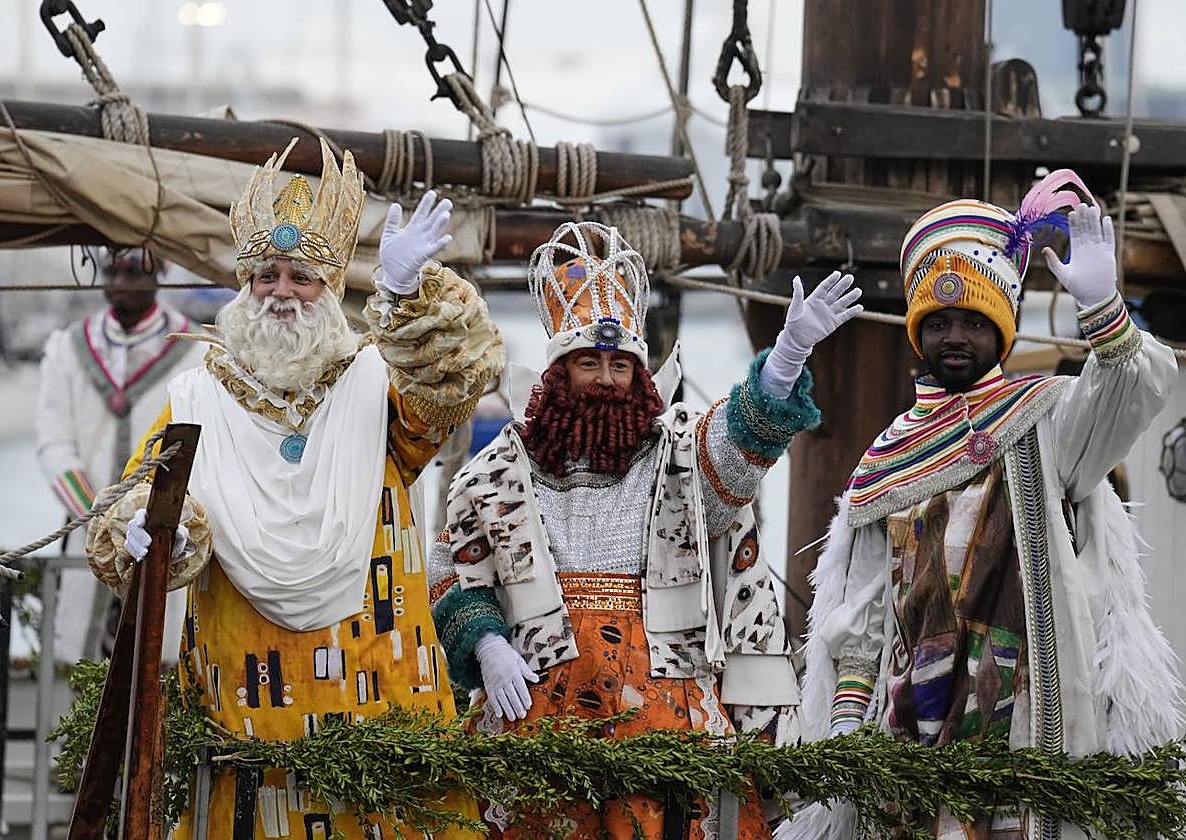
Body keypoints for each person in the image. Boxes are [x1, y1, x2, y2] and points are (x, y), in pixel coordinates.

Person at [84, 139, 504, 839]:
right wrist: (150, 528)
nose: (282, 291)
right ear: (246, 287)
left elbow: (453, 388)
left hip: (386, 726)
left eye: (303, 276)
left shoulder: (378, 384)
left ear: (332, 289)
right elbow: (139, 499)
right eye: (267, 275)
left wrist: (403, 296)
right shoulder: (195, 395)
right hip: (245, 738)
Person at [778, 170, 1182, 840]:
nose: (955, 337)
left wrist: (1105, 313)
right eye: (938, 323)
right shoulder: (887, 455)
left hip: (1023, 718)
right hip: (909, 728)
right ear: (917, 333)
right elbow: (862, 606)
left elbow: (1128, 397)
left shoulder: (1045, 420)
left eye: (973, 320)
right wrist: (848, 721)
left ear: (1003, 330)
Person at [427, 221, 862, 839]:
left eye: (620, 366)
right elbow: (457, 574)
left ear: (639, 377)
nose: (606, 380)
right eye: (588, 363)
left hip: (664, 702)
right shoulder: (495, 471)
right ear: (558, 374)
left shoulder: (676, 458)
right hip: (534, 706)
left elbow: (733, 452)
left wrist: (784, 363)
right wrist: (489, 646)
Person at [36, 248, 206, 663]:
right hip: (87, 527)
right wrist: (97, 516)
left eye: (132, 270)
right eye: (111, 270)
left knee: (159, 660)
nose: (120, 281)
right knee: (84, 661)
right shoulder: (68, 348)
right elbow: (53, 443)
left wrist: (158, 511)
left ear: (158, 273)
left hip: (163, 527)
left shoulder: (193, 351)